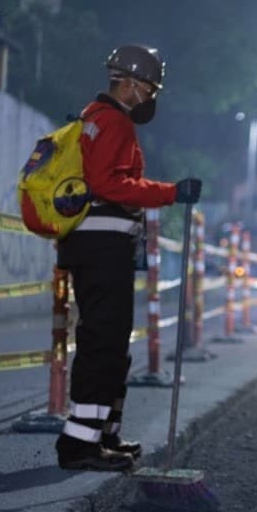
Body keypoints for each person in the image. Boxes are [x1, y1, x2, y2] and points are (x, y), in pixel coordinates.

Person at [54, 44, 202, 472]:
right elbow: (109, 184)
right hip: (102, 247)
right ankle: (79, 445)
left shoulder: (93, 119)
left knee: (111, 342)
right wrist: (172, 192)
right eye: (150, 87)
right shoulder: (113, 121)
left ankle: (102, 434)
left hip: (96, 245)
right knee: (104, 343)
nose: (151, 96)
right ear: (131, 83)